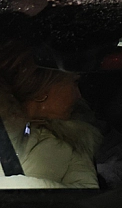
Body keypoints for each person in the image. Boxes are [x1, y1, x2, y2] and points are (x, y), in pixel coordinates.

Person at [0, 41, 102, 188]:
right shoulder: (5, 130)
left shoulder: (75, 138)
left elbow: (83, 197)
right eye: (73, 83)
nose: (78, 95)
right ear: (44, 89)